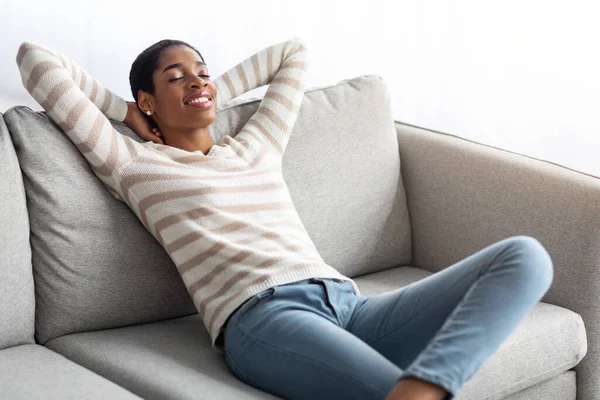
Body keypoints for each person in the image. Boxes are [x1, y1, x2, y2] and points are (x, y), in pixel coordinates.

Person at [16, 37, 554, 400]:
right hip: (265, 320)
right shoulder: (132, 163)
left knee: (526, 256)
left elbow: (292, 55)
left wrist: (206, 86)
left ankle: (425, 387)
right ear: (148, 99)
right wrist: (126, 112)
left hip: (350, 307)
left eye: (202, 73)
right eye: (175, 77)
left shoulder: (256, 146)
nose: (197, 82)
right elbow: (35, 60)